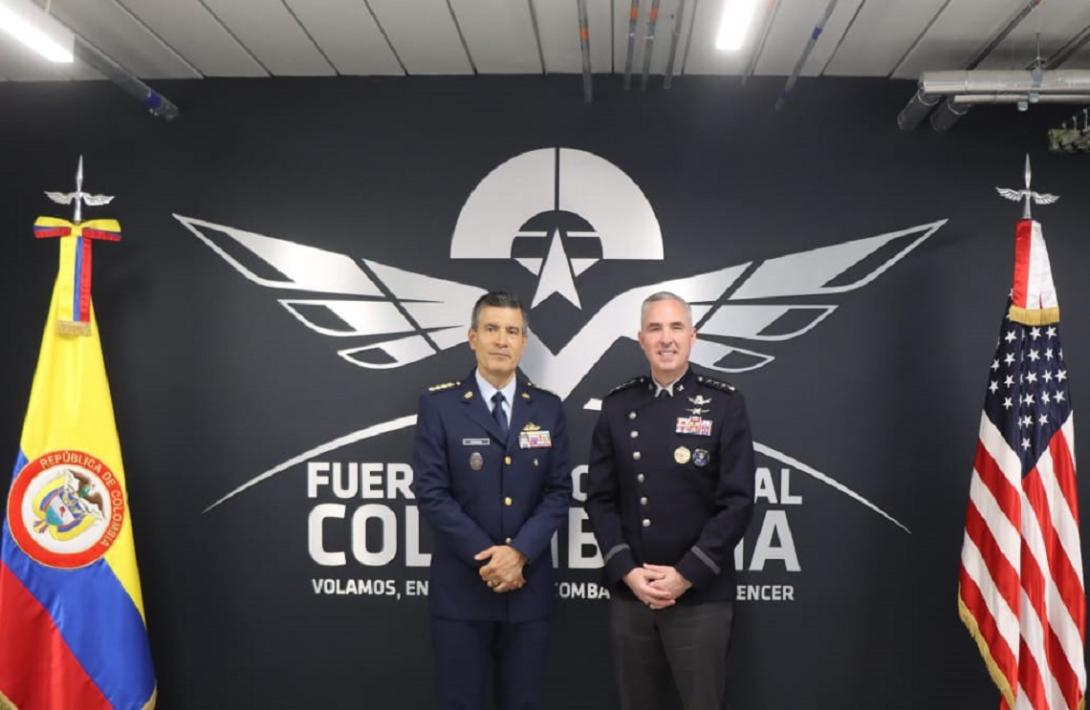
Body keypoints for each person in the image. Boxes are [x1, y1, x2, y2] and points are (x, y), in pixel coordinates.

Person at [586, 291, 756, 710]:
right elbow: (600, 499)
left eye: (676, 327)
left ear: (692, 336)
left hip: (700, 596)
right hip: (633, 595)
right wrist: (627, 572)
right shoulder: (618, 405)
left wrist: (685, 574)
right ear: (640, 339)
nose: (666, 338)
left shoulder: (724, 403)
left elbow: (737, 502)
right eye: (655, 328)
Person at [412, 290, 572, 710]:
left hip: (527, 591)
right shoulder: (439, 406)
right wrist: (492, 559)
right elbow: (431, 492)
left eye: (512, 331)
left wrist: (518, 554)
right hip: (461, 593)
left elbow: (558, 491)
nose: (502, 340)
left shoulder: (547, 409)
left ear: (524, 342)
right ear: (473, 337)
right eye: (492, 329)